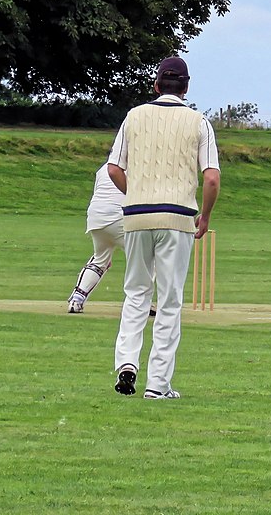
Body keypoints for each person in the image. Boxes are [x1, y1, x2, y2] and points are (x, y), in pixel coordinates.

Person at [107, 56, 220, 400]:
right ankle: (158, 385)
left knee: (136, 294)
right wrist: (206, 216)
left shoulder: (134, 116)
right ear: (186, 87)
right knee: (169, 300)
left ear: (156, 85)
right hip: (178, 217)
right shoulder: (199, 121)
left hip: (137, 216)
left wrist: (139, 194)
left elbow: (114, 169)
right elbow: (212, 178)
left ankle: (127, 363)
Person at [67, 161, 157, 316]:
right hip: (119, 218)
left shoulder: (103, 168)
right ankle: (141, 303)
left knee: (100, 259)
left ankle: (77, 299)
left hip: (96, 218)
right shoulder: (139, 166)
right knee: (147, 258)